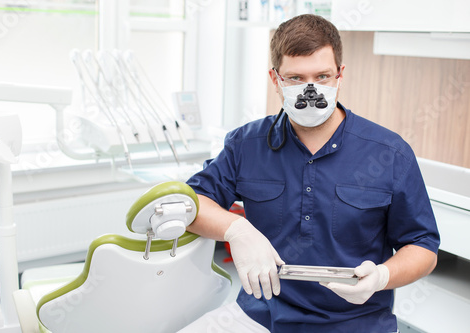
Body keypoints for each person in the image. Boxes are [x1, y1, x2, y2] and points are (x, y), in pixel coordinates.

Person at [178, 14, 440, 333]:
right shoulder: (247, 145)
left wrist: (382, 277)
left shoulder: (389, 153)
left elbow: (423, 247)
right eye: (296, 78)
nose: (310, 90)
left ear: (340, 75)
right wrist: (237, 230)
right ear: (275, 79)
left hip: (358, 323)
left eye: (322, 76)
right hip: (261, 316)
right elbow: (191, 204)